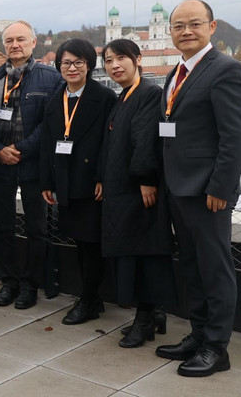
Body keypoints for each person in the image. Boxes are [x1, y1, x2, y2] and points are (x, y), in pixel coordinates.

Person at [154, 0, 241, 377]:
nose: (186, 31)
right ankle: (197, 334)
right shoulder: (176, 73)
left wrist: (221, 188)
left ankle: (216, 347)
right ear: (171, 32)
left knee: (215, 270)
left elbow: (235, 136)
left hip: (209, 192)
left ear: (212, 27)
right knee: (192, 266)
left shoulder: (226, 70)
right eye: (179, 26)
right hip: (178, 189)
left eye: (195, 24)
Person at [99, 39, 176, 348]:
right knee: (136, 254)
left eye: (121, 58)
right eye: (108, 60)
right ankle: (154, 314)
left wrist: (146, 179)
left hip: (138, 191)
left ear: (138, 59)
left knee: (145, 256)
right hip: (120, 189)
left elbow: (145, 138)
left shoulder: (149, 94)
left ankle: (144, 319)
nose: (115, 65)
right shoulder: (123, 97)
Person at [40, 39, 117, 325]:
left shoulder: (105, 98)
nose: (71, 68)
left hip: (91, 184)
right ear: (58, 66)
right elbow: (48, 145)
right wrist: (47, 182)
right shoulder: (54, 100)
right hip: (66, 181)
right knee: (79, 242)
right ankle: (90, 298)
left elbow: (108, 144)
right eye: (66, 63)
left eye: (78, 62)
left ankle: (88, 299)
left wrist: (101, 177)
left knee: (92, 243)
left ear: (89, 65)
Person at [0, 20, 61, 309]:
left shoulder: (50, 78)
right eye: (9, 41)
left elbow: (51, 123)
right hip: (1, 165)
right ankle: (9, 281)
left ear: (33, 43)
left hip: (32, 164)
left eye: (21, 39)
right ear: (3, 46)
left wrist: (20, 148)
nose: (15, 45)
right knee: (3, 227)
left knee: (36, 228)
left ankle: (30, 285)